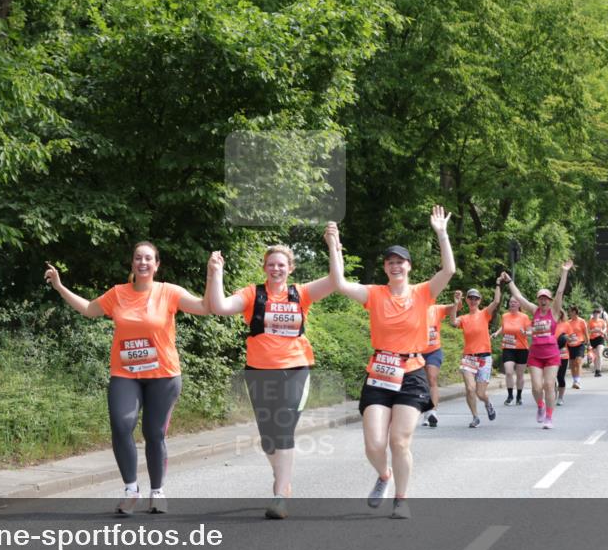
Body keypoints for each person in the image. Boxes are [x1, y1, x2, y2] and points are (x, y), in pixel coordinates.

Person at [44, 242, 209, 516]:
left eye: (148, 258)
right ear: (132, 263)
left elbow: (204, 307)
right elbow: (89, 309)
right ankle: (131, 491)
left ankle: (157, 492)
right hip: (125, 374)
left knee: (154, 434)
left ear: (156, 265)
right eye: (138, 258)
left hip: (163, 375)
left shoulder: (169, 292)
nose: (142, 262)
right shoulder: (118, 293)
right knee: (121, 426)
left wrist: (213, 274)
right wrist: (60, 287)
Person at [205, 223, 342, 520]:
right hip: (258, 372)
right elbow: (219, 306)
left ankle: (280, 496)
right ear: (264, 268)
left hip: (295, 369)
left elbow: (335, 280)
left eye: (281, 265)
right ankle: (282, 476)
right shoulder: (252, 294)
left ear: (290, 268)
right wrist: (215, 273)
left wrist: (333, 245)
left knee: (283, 429)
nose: (276, 269)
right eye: (271, 265)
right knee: (268, 438)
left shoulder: (300, 293)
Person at [338, 205, 455, 519]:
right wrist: (335, 247)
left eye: (400, 261)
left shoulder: (422, 293)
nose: (395, 266)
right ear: (385, 268)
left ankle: (401, 500)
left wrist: (442, 234)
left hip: (412, 373)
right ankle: (384, 475)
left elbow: (448, 271)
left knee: (399, 441)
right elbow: (341, 284)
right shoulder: (374, 294)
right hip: (380, 372)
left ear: (409, 266)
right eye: (390, 262)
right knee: (374, 444)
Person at [501, 260, 572, 430]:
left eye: (546, 298)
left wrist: (564, 272)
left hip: (552, 354)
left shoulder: (554, 312)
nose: (543, 300)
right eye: (541, 298)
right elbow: (519, 297)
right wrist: (509, 281)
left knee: (549, 385)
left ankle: (549, 417)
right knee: (536, 387)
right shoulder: (534, 311)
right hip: (535, 355)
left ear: (550, 300)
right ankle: (540, 406)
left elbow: (560, 291)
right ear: (538, 300)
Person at [449, 281, 503, 428]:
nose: (473, 301)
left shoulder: (484, 313)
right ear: (466, 300)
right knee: (469, 388)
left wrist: (498, 283)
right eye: (470, 298)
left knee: (480, 393)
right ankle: (475, 417)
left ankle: (487, 403)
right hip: (469, 358)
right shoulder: (464, 318)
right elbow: (453, 321)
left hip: (484, 357)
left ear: (479, 301)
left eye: (476, 298)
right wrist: (455, 303)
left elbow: (496, 301)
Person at [420, 300, 454, 427]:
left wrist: (457, 302)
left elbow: (453, 308)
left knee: (432, 378)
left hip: (434, 351)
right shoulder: (414, 309)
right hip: (417, 351)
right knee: (422, 383)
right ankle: (426, 412)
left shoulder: (436, 309)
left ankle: (433, 412)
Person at [492, 297, 531, 406]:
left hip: (522, 349)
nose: (512, 303)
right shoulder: (505, 316)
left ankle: (519, 396)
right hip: (508, 347)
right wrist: (496, 333)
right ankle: (510, 396)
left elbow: (530, 331)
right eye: (511, 302)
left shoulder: (524, 317)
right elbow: (503, 327)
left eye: (515, 302)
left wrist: (525, 333)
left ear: (519, 304)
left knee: (520, 375)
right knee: (509, 372)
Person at [565, 306, 588, 389]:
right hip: (570, 345)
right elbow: (565, 333)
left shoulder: (582, 321)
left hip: (580, 344)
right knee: (572, 364)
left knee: (578, 362)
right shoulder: (567, 322)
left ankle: (577, 381)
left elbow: (586, 333)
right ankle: (574, 380)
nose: (569, 313)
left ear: (574, 312)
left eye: (570, 311)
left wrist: (588, 343)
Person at [555, 310, 571, 406]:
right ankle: (552, 393)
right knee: (551, 377)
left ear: (561, 314)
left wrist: (567, 338)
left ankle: (560, 397)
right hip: (550, 353)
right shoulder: (549, 324)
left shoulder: (566, 324)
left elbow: (572, 338)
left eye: (559, 312)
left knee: (560, 377)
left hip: (563, 354)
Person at [588, 308, 607, 377]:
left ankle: (599, 370)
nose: (596, 315)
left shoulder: (602, 321)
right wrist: (593, 330)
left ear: (599, 314)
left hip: (600, 338)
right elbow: (588, 330)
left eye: (598, 313)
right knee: (595, 356)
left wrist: (602, 331)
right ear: (593, 314)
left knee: (599, 353)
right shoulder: (590, 321)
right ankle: (596, 370)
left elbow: (605, 328)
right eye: (595, 313)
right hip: (592, 339)